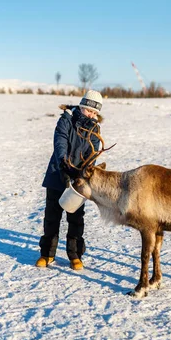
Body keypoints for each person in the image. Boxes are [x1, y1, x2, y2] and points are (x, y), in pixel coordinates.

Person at [36, 90, 103, 271]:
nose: (91, 115)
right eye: (89, 110)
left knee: (76, 218)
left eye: (95, 113)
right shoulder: (66, 120)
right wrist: (64, 166)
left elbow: (92, 153)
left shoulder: (95, 128)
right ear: (82, 106)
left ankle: (75, 255)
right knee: (52, 216)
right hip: (58, 173)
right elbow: (60, 142)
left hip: (77, 181)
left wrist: (83, 174)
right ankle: (47, 254)